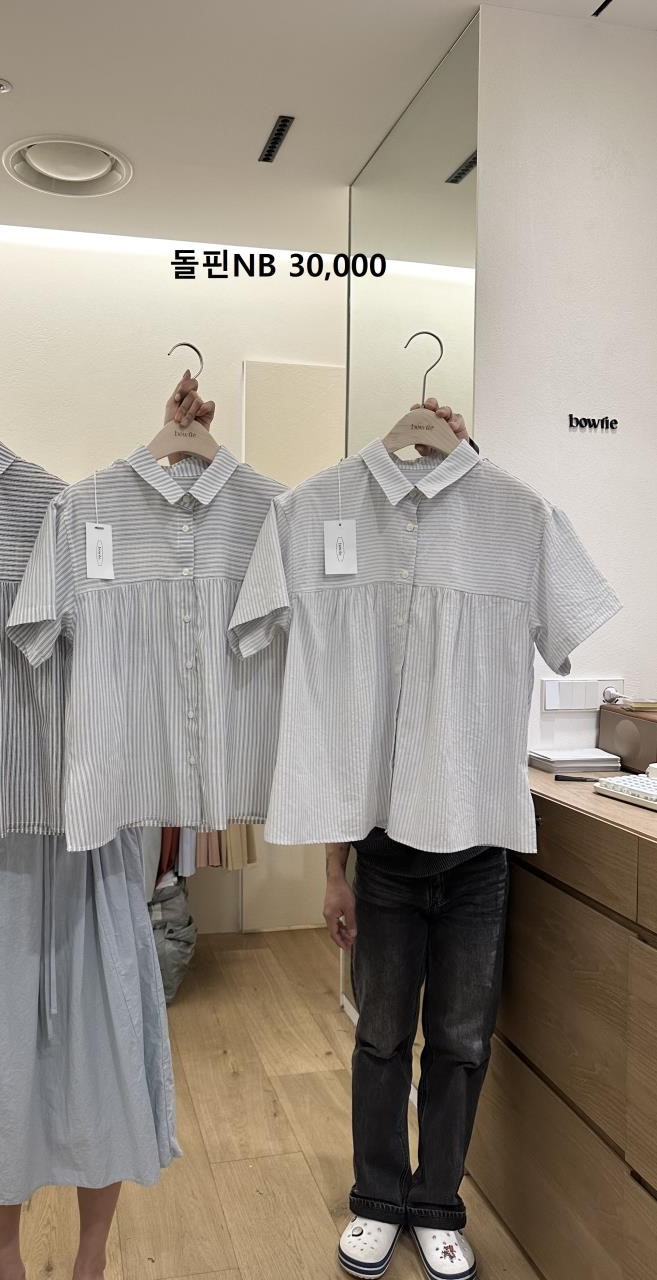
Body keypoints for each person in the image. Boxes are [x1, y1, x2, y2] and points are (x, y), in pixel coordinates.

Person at [0, 354, 213, 1280]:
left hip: (93, 839)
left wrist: (178, 452)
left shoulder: (92, 526)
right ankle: (5, 1265)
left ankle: (91, 1258)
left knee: (102, 1052)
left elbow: (178, 556)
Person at [325, 405, 494, 1280]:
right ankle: (377, 1199)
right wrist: (334, 871)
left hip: (477, 856)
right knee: (382, 1035)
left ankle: (435, 1203)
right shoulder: (348, 526)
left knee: (460, 1041)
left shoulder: (501, 524)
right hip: (384, 851)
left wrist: (477, 465)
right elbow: (339, 736)